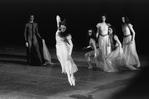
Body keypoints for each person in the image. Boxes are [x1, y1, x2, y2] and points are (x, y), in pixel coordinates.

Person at [55, 15, 78, 86]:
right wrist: (58, 18)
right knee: (64, 63)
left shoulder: (67, 35)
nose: (62, 29)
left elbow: (71, 45)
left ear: (66, 28)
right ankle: (71, 76)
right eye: (61, 28)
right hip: (58, 49)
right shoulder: (58, 30)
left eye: (64, 28)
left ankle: (70, 77)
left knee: (67, 63)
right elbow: (58, 21)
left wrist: (69, 54)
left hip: (64, 49)